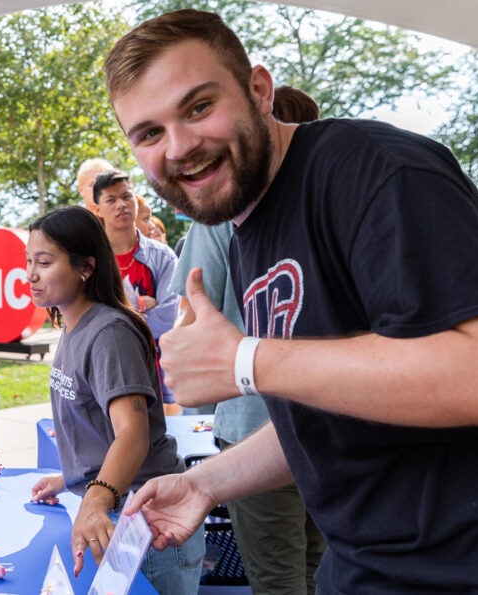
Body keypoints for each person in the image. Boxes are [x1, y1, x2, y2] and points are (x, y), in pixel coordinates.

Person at [106, 9, 478, 592]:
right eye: (149, 133)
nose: (180, 146)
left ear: (259, 89)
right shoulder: (250, 220)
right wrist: (205, 484)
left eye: (199, 107)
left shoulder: (373, 169)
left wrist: (245, 362)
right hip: (359, 566)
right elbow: (328, 413)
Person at [166, 83, 327, 595]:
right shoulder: (323, 206)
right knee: (316, 566)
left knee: (283, 575)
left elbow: (188, 319)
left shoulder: (219, 213)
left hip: (260, 429)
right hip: (321, 422)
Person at [25, 205, 204, 593]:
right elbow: (98, 423)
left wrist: (94, 498)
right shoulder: (74, 323)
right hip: (120, 509)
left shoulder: (110, 333)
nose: (31, 275)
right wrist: (77, 475)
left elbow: (133, 434)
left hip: (148, 523)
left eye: (44, 262)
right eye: (29, 261)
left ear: (85, 267)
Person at [93, 170, 181, 414]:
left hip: (155, 369)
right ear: (98, 209)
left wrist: (114, 316)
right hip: (103, 367)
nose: (121, 204)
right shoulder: (91, 261)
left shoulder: (163, 257)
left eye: (126, 196)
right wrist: (141, 306)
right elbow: (86, 316)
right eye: (110, 200)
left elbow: (166, 320)